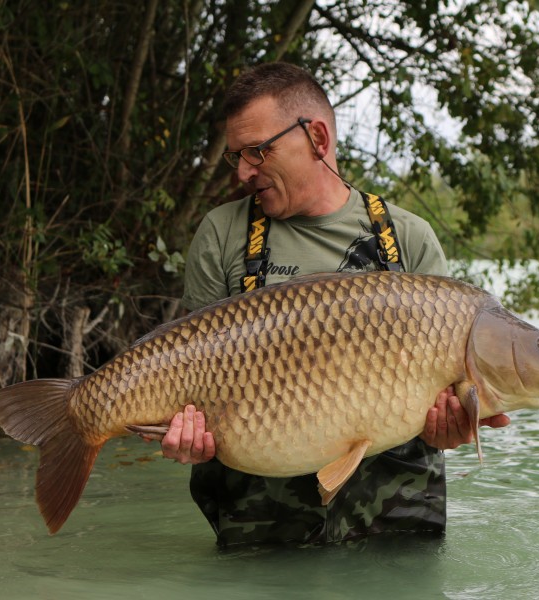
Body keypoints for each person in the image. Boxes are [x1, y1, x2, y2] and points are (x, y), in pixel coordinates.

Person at [148, 63, 509, 546]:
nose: (242, 172)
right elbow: (191, 378)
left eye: (257, 151)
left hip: (392, 520)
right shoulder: (223, 233)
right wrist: (189, 440)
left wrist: (446, 430)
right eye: (236, 155)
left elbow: (439, 405)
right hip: (260, 519)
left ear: (317, 137)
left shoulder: (408, 239)